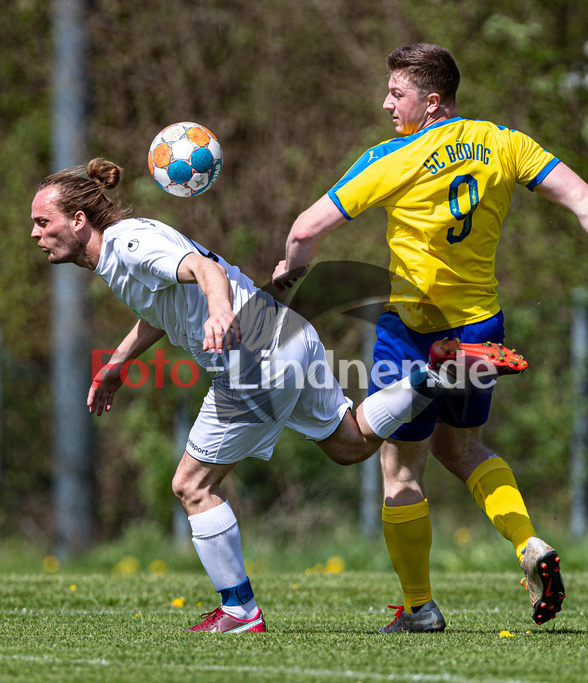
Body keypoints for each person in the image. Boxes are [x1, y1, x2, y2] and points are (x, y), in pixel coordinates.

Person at [30, 157, 507, 633]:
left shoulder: (128, 244)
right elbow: (159, 308)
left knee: (191, 486)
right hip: (286, 334)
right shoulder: (122, 252)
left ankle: (239, 612)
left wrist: (219, 313)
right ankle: (431, 376)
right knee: (351, 444)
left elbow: (202, 269)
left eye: (42, 221)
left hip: (252, 356)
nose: (35, 233)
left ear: (77, 221)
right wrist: (118, 363)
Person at [274, 43, 588, 632]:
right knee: (463, 450)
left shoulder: (392, 157)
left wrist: (284, 299)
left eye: (398, 93)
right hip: (479, 327)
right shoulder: (506, 142)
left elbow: (305, 229)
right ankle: (528, 544)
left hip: (413, 332)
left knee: (400, 470)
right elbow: (584, 198)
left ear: (432, 100)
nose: (387, 103)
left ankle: (419, 608)